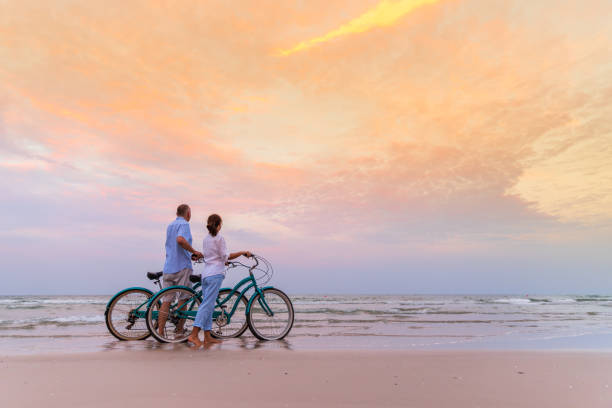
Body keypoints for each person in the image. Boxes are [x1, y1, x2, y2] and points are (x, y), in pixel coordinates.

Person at [187, 213, 251, 348]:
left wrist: (223, 261)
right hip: (215, 274)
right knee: (207, 306)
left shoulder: (206, 239)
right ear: (219, 224)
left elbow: (212, 256)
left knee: (208, 306)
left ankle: (207, 337)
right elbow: (225, 256)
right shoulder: (220, 238)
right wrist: (242, 252)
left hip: (206, 274)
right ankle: (193, 335)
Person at [158, 204, 203, 338]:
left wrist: (189, 253)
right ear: (188, 213)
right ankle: (178, 330)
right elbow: (180, 240)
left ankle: (159, 333)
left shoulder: (170, 225)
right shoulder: (184, 224)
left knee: (167, 300)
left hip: (168, 267)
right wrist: (194, 251)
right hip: (182, 267)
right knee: (183, 298)